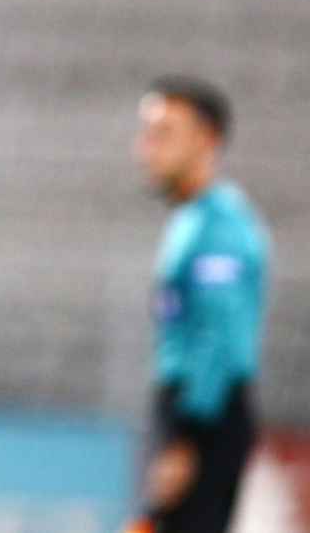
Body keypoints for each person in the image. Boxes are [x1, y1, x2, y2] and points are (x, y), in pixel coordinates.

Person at [131, 75, 270, 533]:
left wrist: (184, 437)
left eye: (165, 133)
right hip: (191, 411)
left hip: (205, 416)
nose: (148, 146)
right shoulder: (192, 217)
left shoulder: (220, 226)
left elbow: (217, 333)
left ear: (207, 140)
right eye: (147, 132)